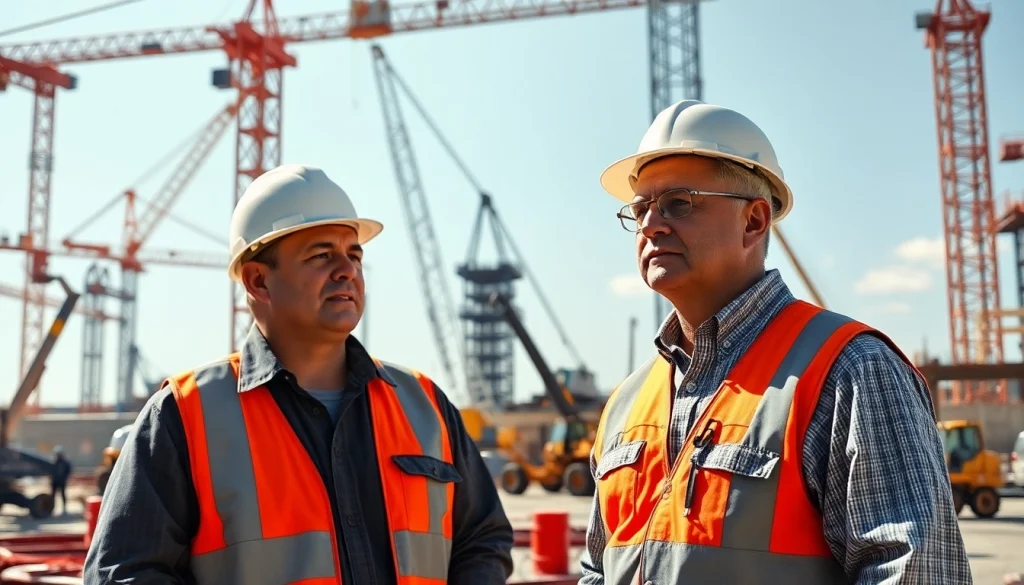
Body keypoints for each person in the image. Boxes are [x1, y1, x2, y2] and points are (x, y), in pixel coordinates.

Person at [578, 100, 971, 584]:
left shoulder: (850, 370)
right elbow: (598, 570)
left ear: (754, 222)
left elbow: (915, 573)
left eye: (678, 203)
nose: (650, 224)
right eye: (640, 208)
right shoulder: (626, 403)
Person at [83, 164, 514, 584]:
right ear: (257, 282)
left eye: (354, 253)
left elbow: (482, 539)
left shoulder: (425, 405)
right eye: (321, 255)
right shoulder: (184, 416)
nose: (347, 269)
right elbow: (124, 571)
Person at [50, 446, 71, 516]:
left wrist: (64, 478)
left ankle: (64, 509)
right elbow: (51, 471)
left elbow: (68, 471)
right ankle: (52, 508)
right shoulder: (54, 462)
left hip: (62, 481)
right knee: (53, 495)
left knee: (63, 494)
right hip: (55, 482)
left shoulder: (65, 463)